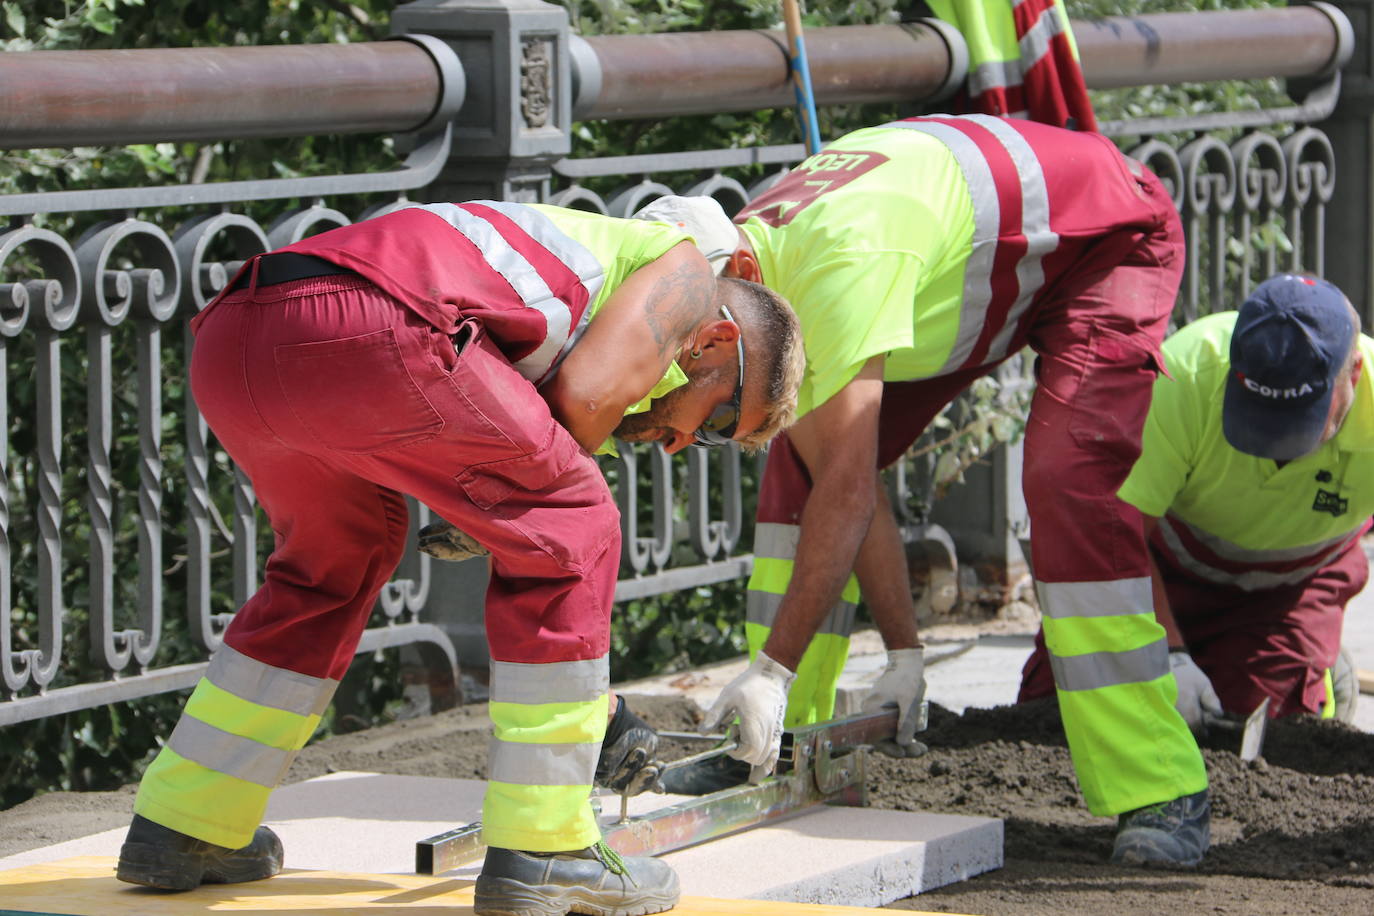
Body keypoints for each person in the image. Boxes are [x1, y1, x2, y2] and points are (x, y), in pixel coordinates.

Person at [113, 200, 805, 916]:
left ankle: (188, 822)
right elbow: (582, 398)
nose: (682, 443)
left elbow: (522, 424)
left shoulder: (585, 279)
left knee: (333, 562)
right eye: (721, 422)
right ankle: (547, 849)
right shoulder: (688, 272)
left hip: (239, 334)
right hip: (372, 325)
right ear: (715, 344)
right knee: (576, 523)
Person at [635, 113, 1211, 867]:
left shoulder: (836, 268)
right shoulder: (750, 271)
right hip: (984, 278)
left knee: (1066, 477)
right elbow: (847, 482)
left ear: (734, 289)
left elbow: (846, 496)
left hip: (1106, 239)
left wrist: (771, 669)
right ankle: (773, 746)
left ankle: (1160, 782)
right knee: (793, 463)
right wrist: (905, 655)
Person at [1021, 273, 1372, 730]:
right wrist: (1168, 653)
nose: (1277, 444)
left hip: (1293, 588)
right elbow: (1116, 538)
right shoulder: (1182, 378)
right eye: (1263, 418)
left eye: (1298, 421)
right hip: (1169, 565)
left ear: (1356, 372)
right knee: (1058, 710)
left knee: (1269, 728)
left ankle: (1319, 670)